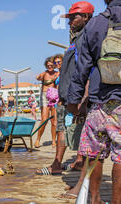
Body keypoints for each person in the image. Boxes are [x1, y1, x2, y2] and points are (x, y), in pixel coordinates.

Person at [67, 0, 121, 204]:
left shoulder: (95, 23)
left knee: (93, 152)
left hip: (98, 101)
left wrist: (73, 99)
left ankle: (94, 203)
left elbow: (82, 67)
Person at [36, 1, 94, 177]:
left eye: (73, 18)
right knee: (67, 128)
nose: (69, 22)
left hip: (76, 97)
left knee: (73, 130)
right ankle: (71, 163)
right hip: (68, 95)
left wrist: (84, 98)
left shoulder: (88, 38)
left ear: (85, 17)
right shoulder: (76, 39)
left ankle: (60, 165)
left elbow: (88, 70)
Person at [34, 57, 60, 148]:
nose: (50, 67)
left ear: (54, 65)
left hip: (55, 96)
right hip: (45, 96)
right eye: (48, 65)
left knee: (54, 121)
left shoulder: (57, 73)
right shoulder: (44, 74)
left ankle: (53, 141)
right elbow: (38, 78)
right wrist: (38, 77)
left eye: (51, 65)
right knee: (44, 119)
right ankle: (38, 139)